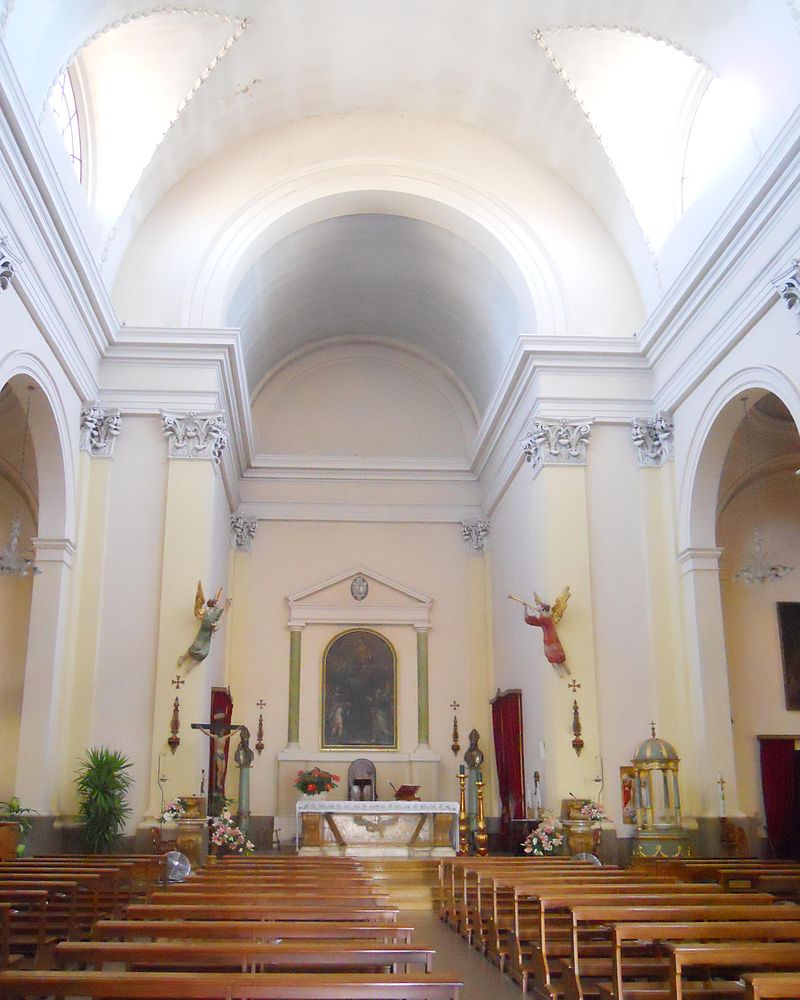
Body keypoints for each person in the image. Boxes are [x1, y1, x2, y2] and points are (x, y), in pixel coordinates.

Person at [178, 581, 230, 671]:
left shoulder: (216, 612)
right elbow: (206, 619)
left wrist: (215, 627)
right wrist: (212, 625)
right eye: (217, 603)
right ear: (213, 604)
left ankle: (191, 665)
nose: (218, 604)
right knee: (196, 647)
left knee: (204, 652)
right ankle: (183, 657)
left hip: (208, 634)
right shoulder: (207, 611)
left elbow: (223, 612)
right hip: (203, 632)